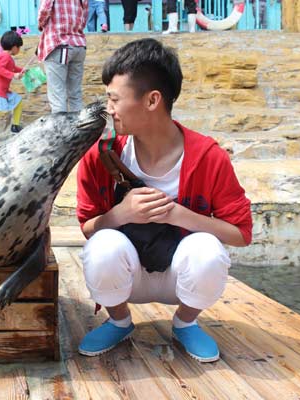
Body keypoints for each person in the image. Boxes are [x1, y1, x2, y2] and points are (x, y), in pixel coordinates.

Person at [76, 38, 252, 362]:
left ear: (152, 100)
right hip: (128, 276)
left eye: (114, 99)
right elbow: (88, 227)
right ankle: (119, 320)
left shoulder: (208, 157)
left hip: (179, 277)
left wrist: (177, 215)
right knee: (102, 247)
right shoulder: (101, 157)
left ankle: (186, 323)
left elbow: (241, 234)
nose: (108, 109)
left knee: (208, 251)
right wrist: (121, 213)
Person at [37, 0, 88, 113]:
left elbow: (44, 10)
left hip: (59, 43)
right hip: (79, 45)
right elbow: (84, 17)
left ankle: (61, 130)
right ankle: (79, 129)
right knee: (75, 94)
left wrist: (41, 24)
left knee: (58, 95)